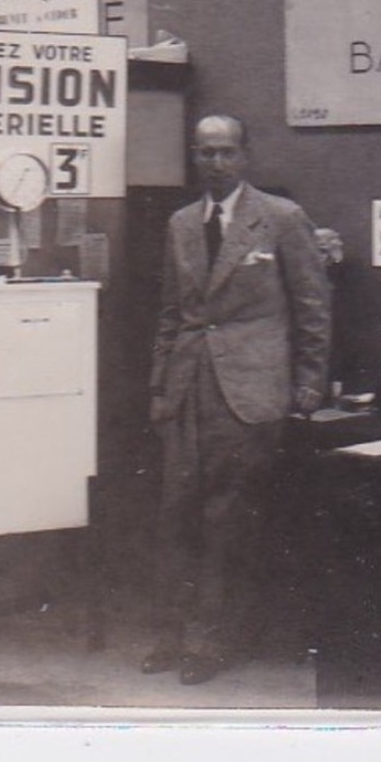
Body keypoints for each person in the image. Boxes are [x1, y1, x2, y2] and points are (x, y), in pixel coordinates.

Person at [145, 114, 331, 685]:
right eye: (206, 153)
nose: (217, 163)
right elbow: (173, 313)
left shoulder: (279, 219)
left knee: (228, 519)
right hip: (187, 391)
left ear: (246, 156)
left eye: (227, 152)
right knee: (178, 516)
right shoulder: (180, 224)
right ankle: (173, 635)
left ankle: (213, 641)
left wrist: (308, 383)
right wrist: (159, 387)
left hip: (250, 394)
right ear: (195, 158)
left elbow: (312, 307)